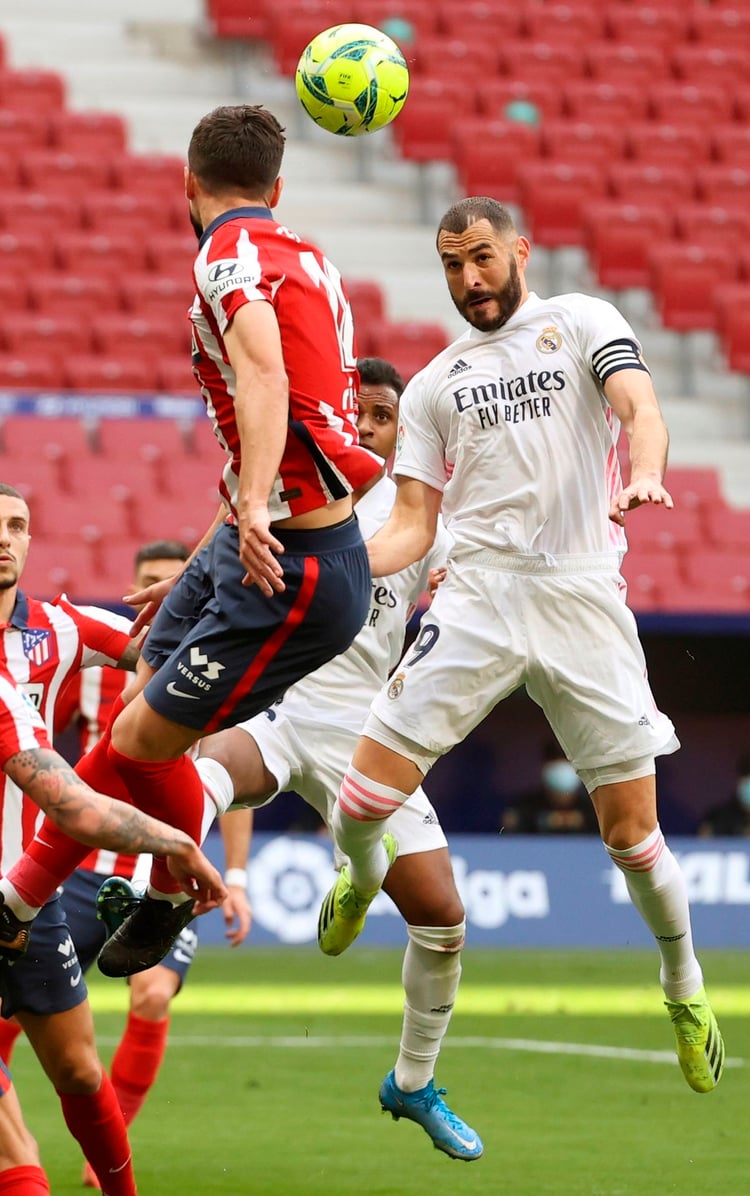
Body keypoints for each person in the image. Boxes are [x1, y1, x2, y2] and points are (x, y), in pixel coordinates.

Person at [317, 196, 725, 1097]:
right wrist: (336, 560)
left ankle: (684, 989)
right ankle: (358, 874)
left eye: (483, 259)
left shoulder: (581, 322)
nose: (470, 279)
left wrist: (647, 471)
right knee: (358, 802)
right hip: (478, 598)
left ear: (520, 252)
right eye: (453, 265)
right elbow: (413, 526)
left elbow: (638, 406)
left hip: (580, 592)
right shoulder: (433, 385)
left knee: (632, 836)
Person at [0, 104, 382, 975]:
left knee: (140, 740)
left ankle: (174, 890)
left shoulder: (225, 254)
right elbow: (286, 414)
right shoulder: (310, 260)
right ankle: (19, 901)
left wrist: (251, 508)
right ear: (277, 188)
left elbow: (264, 374)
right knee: (140, 676)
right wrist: (211, 549)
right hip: (259, 536)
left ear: (187, 182)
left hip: (297, 565)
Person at [194, 356, 483, 1160]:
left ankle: (413, 1081)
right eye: (354, 408)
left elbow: (474, 593)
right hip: (285, 702)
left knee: (445, 922)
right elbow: (225, 544)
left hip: (371, 728)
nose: (364, 423)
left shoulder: (423, 517)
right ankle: (149, 889)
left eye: (382, 415)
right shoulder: (292, 491)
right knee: (204, 769)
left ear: (401, 431)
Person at [0, 540, 253, 1191]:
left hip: (54, 882)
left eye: (17, 524)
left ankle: (108, 1177)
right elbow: (74, 802)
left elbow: (219, 782)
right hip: (79, 864)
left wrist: (222, 865)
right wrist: (173, 844)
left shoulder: (66, 640)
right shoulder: (50, 679)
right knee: (12, 1136)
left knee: (93, 1056)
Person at [502, 739, 596, 834]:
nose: (562, 774)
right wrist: (544, 820)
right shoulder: (528, 806)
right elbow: (512, 823)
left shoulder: (594, 807)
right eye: (556, 772)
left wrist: (581, 820)